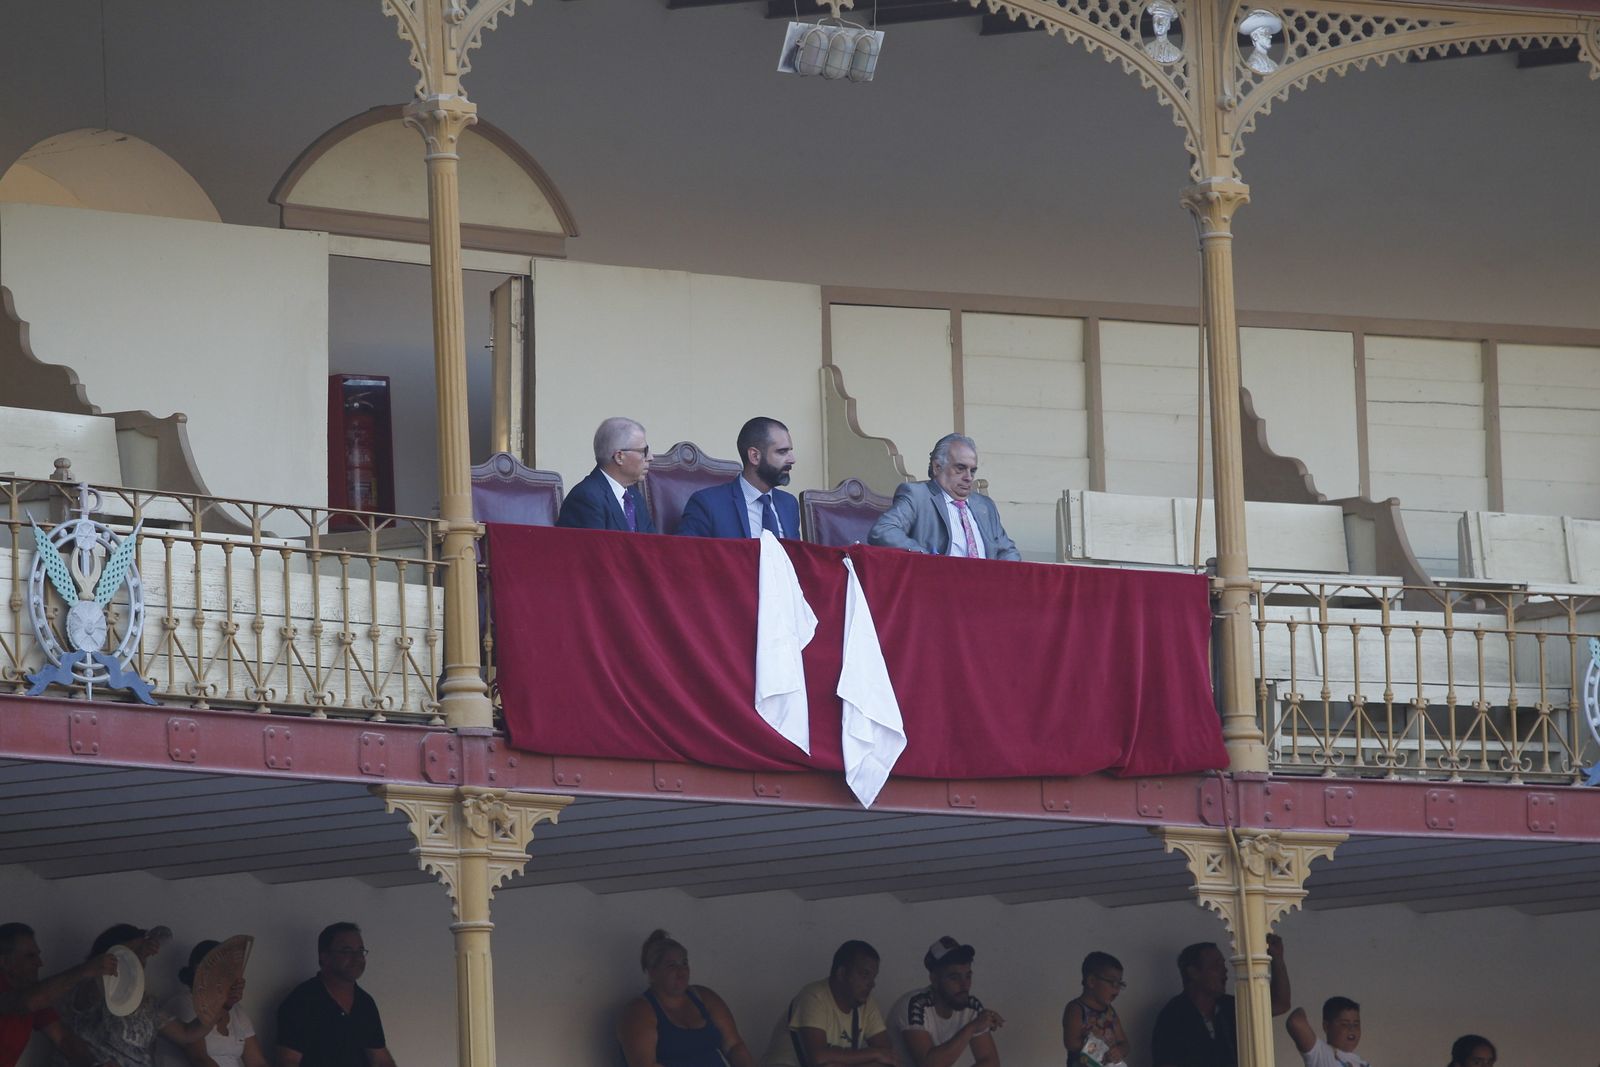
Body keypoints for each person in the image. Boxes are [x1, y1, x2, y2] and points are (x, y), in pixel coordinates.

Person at [57, 924, 218, 1067]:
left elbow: (187, 1034)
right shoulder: (87, 988)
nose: (140, 962)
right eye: (133, 955)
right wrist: (129, 950)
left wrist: (220, 1000)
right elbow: (94, 988)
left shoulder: (146, 1002)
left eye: (142, 958)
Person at [866, 435, 1020, 561]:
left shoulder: (984, 505)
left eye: (972, 471)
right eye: (960, 468)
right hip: (938, 586)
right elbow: (883, 531)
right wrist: (928, 559)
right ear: (937, 467)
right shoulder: (917, 496)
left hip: (986, 588)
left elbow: (1007, 551)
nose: (968, 477)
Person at [617, 930, 754, 1067]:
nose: (681, 971)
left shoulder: (704, 997)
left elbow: (734, 1046)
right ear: (653, 972)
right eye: (672, 965)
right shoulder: (639, 1012)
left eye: (684, 963)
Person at [1150, 935, 1289, 1067]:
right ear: (1194, 973)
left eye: (1223, 964)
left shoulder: (1229, 1006)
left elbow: (1280, 1004)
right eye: (1216, 965)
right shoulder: (1173, 1017)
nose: (1225, 970)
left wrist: (1277, 957)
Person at [275, 923, 396, 1067]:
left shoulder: (365, 1002)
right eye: (347, 951)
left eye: (360, 951)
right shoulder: (301, 1001)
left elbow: (381, 1059)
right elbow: (288, 1061)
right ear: (324, 956)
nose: (356, 958)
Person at [762, 940, 894, 1067]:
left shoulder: (866, 1003)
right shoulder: (814, 996)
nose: (872, 984)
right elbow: (818, 1057)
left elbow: (889, 1057)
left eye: (873, 977)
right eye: (864, 975)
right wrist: (875, 1053)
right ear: (841, 973)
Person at [0, 923, 116, 1067]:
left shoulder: (33, 994)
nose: (39, 963)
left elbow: (63, 1039)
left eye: (38, 955)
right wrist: (85, 970)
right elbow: (23, 1003)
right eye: (30, 956)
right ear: (5, 962)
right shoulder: (31, 998)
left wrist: (95, 1064)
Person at [885, 936, 1002, 1067]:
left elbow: (990, 1062)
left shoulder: (971, 1006)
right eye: (954, 978)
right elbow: (928, 1065)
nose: (965, 985)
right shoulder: (915, 1005)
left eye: (968, 976)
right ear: (934, 979)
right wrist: (972, 1027)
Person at [677, 417, 800, 540]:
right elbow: (687, 555)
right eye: (782, 452)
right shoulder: (708, 504)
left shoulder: (789, 504)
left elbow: (795, 557)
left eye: (790, 451)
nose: (792, 459)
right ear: (754, 456)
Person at [162, 940, 268, 1067]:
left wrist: (226, 1004)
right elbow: (199, 1059)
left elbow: (257, 1062)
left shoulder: (237, 1011)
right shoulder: (183, 1003)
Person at [556, 416, 658, 532]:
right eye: (643, 451)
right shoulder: (586, 498)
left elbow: (651, 545)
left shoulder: (634, 496)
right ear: (619, 457)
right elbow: (594, 549)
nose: (650, 457)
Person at [1061, 951, 1128, 1067]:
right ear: (1092, 981)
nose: (1117, 990)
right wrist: (1099, 1049)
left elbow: (1125, 1043)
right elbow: (1071, 1043)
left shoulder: (1110, 1012)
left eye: (1120, 984)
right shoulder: (1076, 1009)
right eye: (1113, 983)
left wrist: (1120, 1051)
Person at [1285, 996, 1366, 1067]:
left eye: (1356, 1024)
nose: (1352, 1028)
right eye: (1344, 1024)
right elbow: (1295, 1022)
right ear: (1326, 1026)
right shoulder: (1321, 1053)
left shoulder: (1363, 1063)